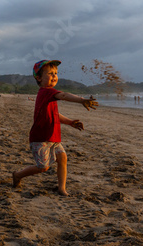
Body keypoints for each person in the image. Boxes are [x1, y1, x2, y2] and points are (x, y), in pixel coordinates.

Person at [12, 60, 98, 196]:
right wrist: (81, 100)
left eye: (56, 73)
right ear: (39, 78)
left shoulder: (49, 95)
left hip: (53, 137)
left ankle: (61, 188)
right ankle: (17, 175)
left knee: (63, 158)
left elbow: (55, 114)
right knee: (43, 167)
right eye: (50, 73)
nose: (54, 76)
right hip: (41, 138)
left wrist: (70, 122)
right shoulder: (45, 92)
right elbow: (64, 95)